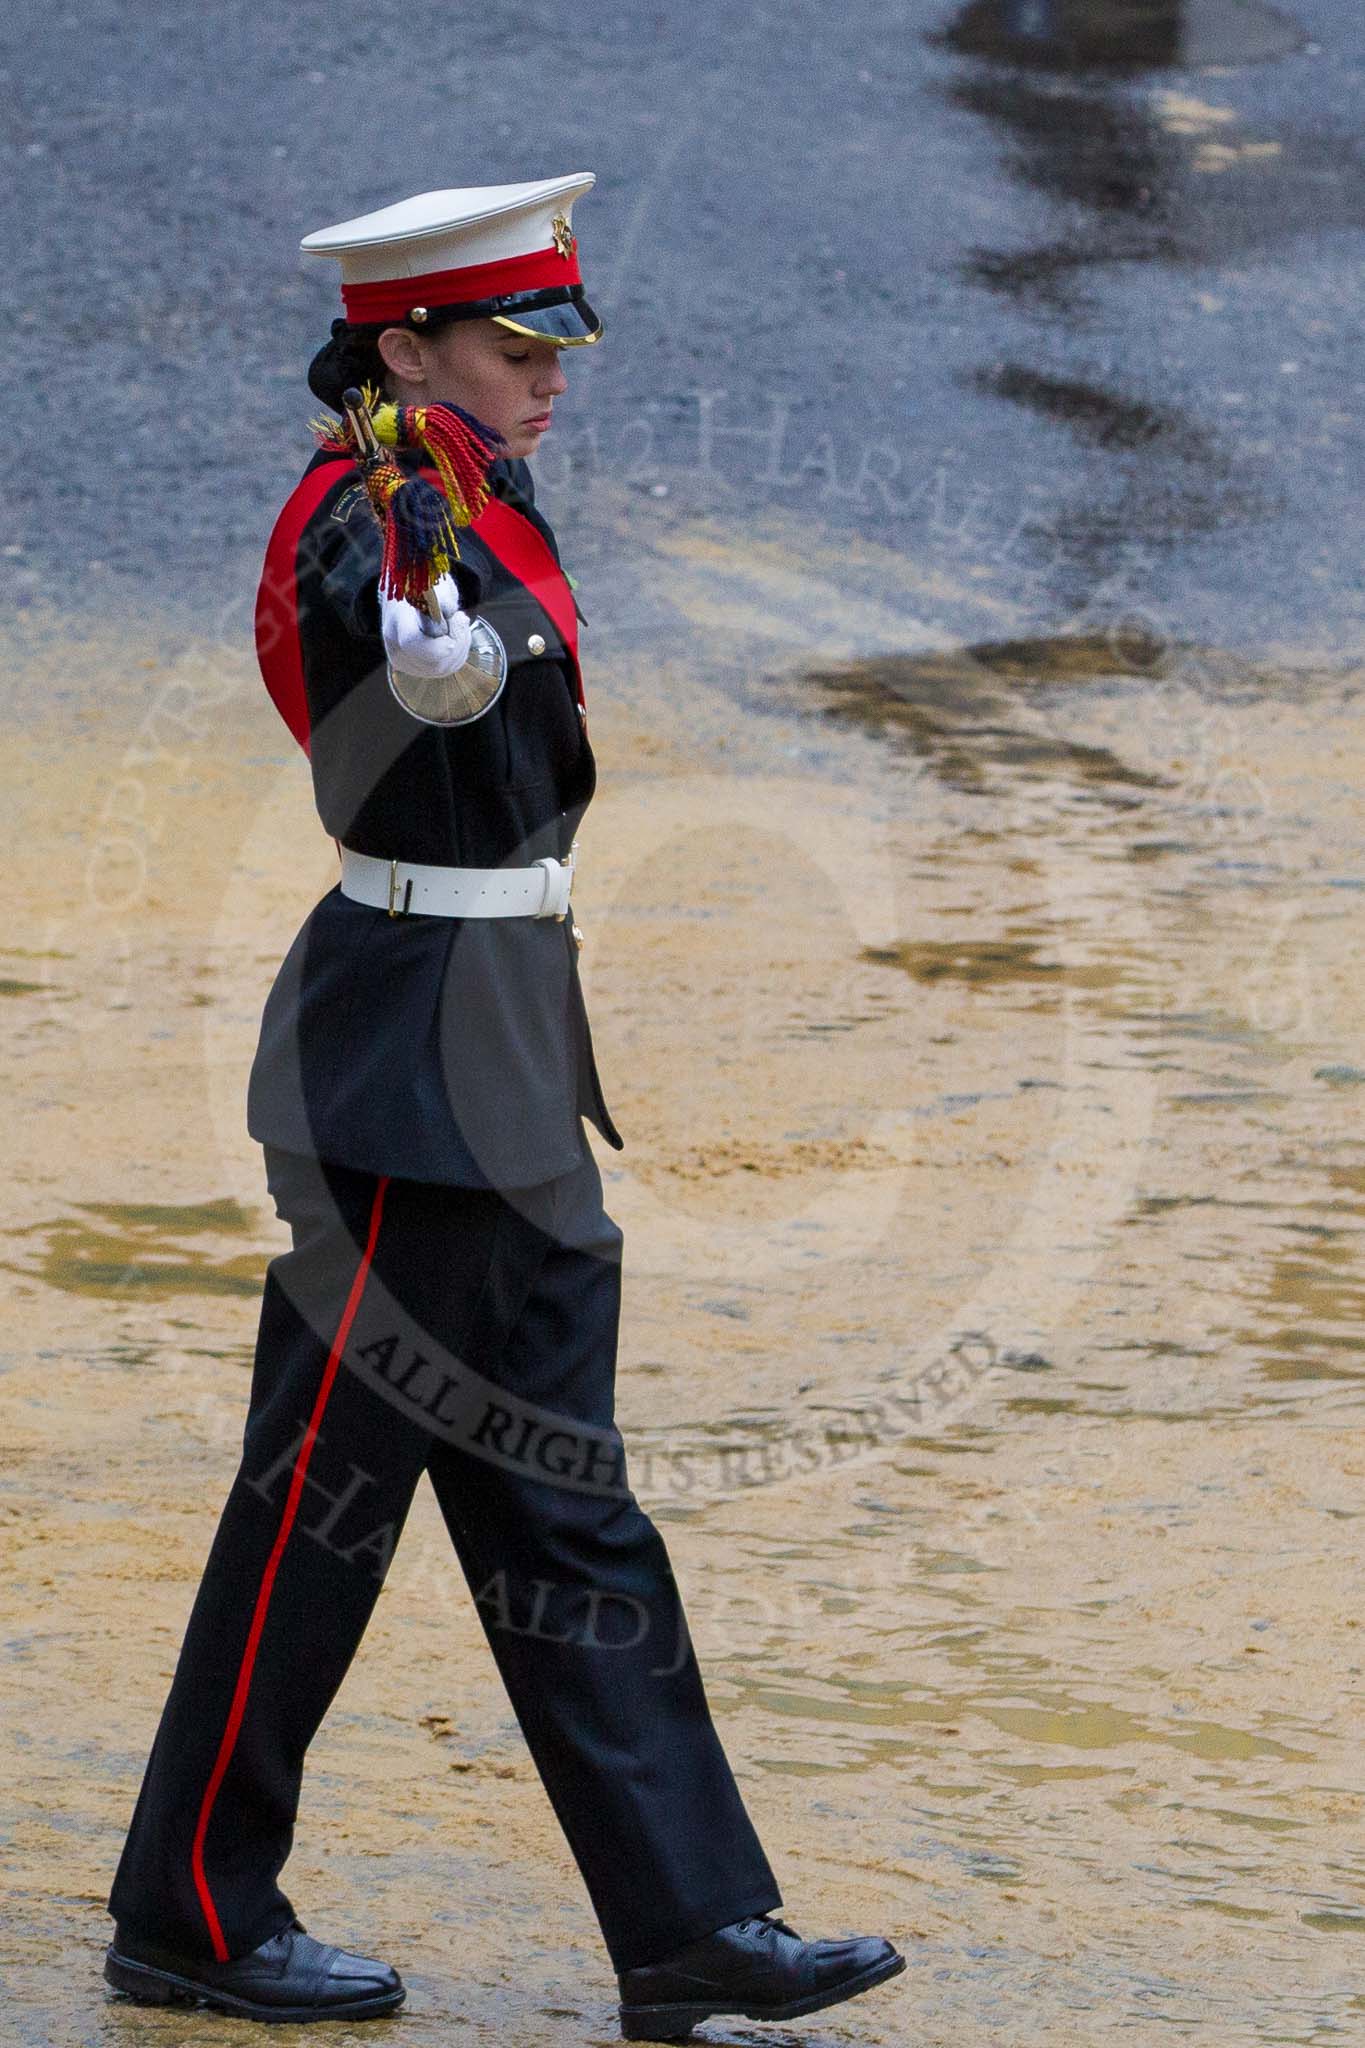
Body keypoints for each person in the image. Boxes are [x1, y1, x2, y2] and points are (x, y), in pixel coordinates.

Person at [102, 173, 906, 2041]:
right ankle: (192, 1912)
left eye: (552, 346)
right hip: (402, 1071)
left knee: (569, 1505)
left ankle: (691, 1926)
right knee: (318, 1508)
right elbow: (385, 662)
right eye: (511, 347)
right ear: (406, 346)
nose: (551, 379)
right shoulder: (365, 520)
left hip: (514, 1046)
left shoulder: (466, 487)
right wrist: (417, 651)